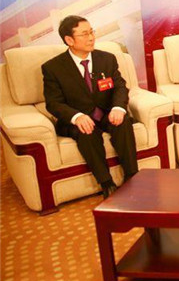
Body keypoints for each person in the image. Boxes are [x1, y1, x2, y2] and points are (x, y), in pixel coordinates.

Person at [42, 15, 138, 199]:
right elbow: (53, 103)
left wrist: (118, 108)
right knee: (86, 131)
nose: (91, 37)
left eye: (92, 32)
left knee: (123, 121)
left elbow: (120, 87)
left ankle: (132, 177)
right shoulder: (53, 68)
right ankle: (107, 184)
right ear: (69, 40)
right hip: (78, 118)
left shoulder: (107, 59)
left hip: (106, 113)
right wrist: (76, 116)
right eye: (84, 34)